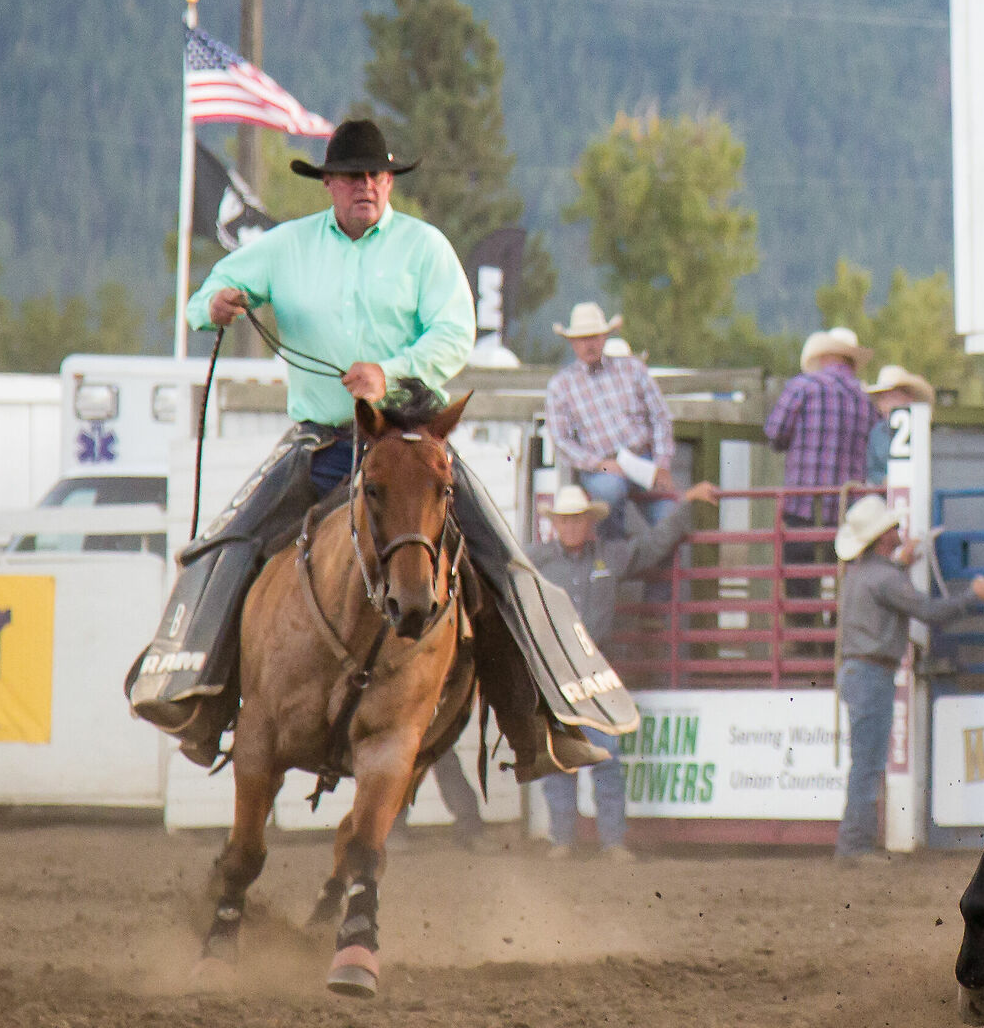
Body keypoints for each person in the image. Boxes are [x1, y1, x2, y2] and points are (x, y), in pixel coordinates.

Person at [126, 120, 633, 781]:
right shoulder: (287, 247)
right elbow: (213, 289)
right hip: (323, 440)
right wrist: (212, 304)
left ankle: (538, 726)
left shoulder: (425, 248)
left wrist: (388, 374)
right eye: (352, 176)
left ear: (389, 182)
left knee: (502, 562)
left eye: (375, 175)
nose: (365, 185)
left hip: (412, 439)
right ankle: (199, 700)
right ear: (330, 185)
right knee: (230, 543)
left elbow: (454, 334)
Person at [527, 479, 722, 860]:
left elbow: (652, 546)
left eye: (577, 519)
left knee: (606, 755)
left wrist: (685, 503)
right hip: (555, 671)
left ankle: (611, 841)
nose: (571, 526)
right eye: (565, 520)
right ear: (556, 524)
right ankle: (563, 840)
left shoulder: (609, 556)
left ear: (589, 522)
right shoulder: (535, 561)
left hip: (596, 669)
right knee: (560, 757)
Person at [832, 495, 984, 860]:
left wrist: (901, 564)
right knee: (868, 763)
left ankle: (854, 843)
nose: (898, 530)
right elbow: (930, 611)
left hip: (861, 671)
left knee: (866, 761)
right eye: (892, 527)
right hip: (872, 674)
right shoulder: (886, 578)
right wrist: (972, 595)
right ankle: (854, 846)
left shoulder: (863, 575)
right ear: (883, 537)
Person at [766, 326, 876, 616]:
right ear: (851, 362)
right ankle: (836, 637)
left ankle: (803, 636)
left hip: (803, 505)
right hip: (847, 510)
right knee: (845, 586)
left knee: (801, 587)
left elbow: (775, 433)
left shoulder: (803, 387)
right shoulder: (866, 400)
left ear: (823, 356)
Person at [544, 300, 675, 531]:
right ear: (572, 343)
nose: (589, 344)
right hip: (601, 467)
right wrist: (600, 464)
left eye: (594, 337)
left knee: (670, 517)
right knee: (608, 492)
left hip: (643, 457)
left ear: (604, 338)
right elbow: (561, 440)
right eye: (582, 339)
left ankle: (665, 554)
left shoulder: (632, 369)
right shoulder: (560, 385)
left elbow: (660, 416)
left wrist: (661, 464)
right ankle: (614, 551)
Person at [863, 364, 934, 485]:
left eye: (894, 398)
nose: (888, 405)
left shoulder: (921, 428)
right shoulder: (877, 432)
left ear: (909, 399)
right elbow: (872, 469)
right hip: (885, 493)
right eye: (883, 399)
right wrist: (884, 480)